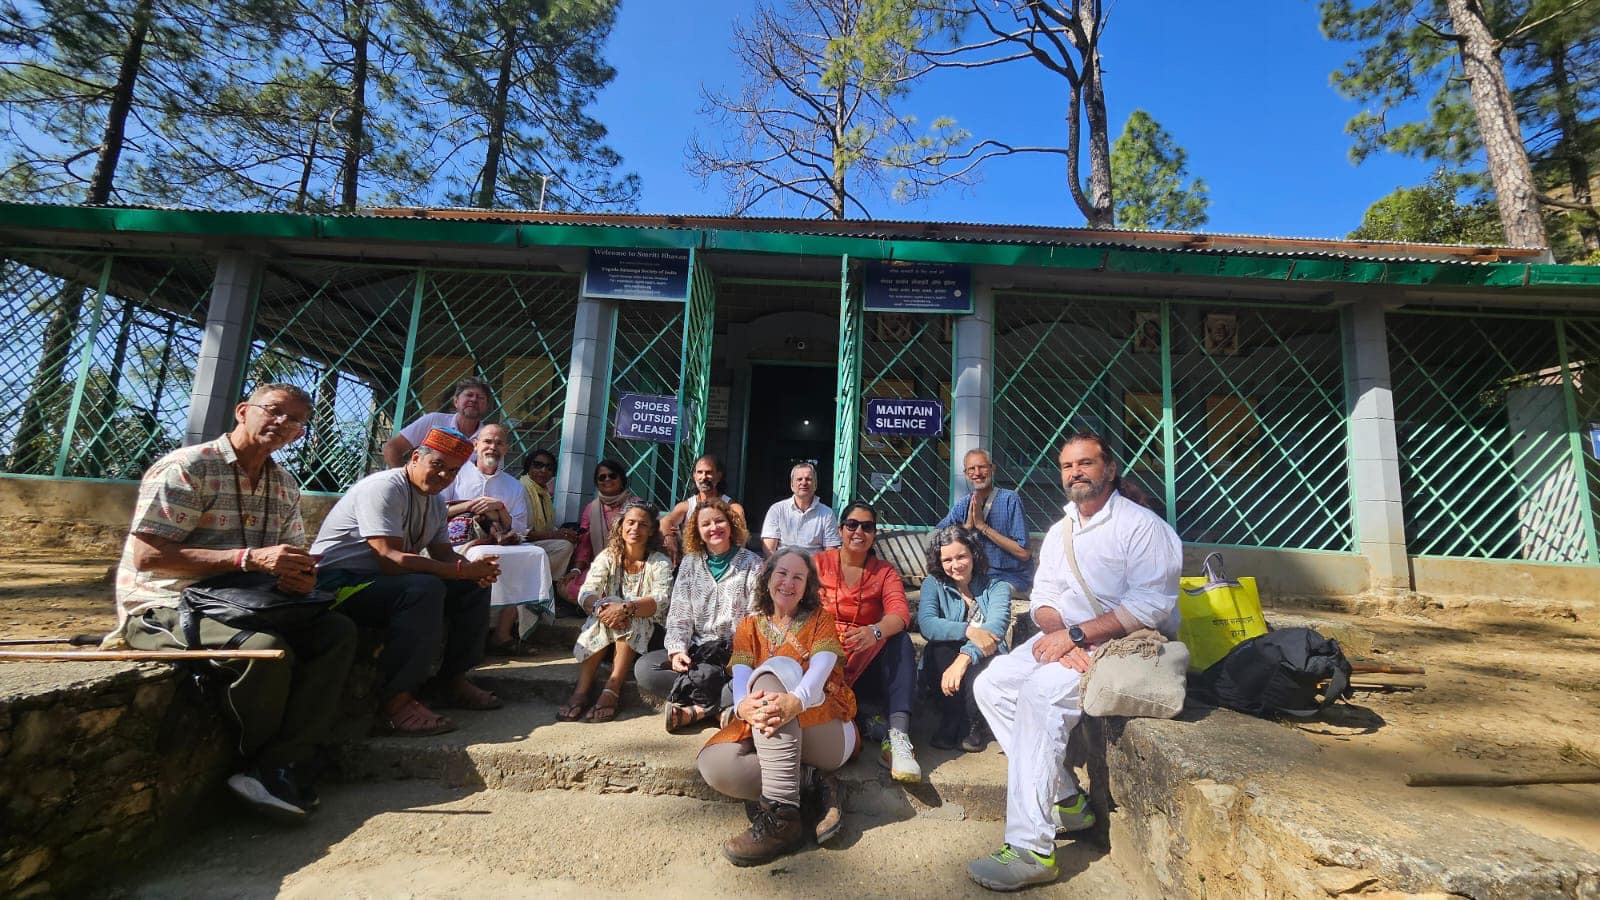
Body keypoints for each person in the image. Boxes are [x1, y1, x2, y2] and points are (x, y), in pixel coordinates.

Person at [114, 383, 357, 824]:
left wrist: (300, 578)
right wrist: (246, 559)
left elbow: (289, 556)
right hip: (169, 602)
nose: (282, 423)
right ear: (243, 410)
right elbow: (148, 555)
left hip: (245, 600)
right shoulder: (189, 467)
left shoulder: (283, 484)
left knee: (336, 631)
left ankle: (283, 763)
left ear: (301, 433)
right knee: (264, 649)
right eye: (274, 411)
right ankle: (260, 764)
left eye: (295, 420)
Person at [966, 432, 1181, 892]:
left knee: (1039, 696)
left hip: (1123, 646)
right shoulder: (1062, 529)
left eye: (1086, 463)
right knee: (992, 683)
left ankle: (1031, 850)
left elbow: (1151, 604)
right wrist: (1062, 636)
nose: (1075, 472)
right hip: (1066, 639)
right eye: (1067, 466)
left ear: (1110, 469)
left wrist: (1078, 636)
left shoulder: (1143, 527)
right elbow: (1043, 597)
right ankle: (1067, 799)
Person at [311, 427, 503, 738]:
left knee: (471, 586)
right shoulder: (384, 488)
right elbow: (389, 558)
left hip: (383, 582)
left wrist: (474, 570)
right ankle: (395, 700)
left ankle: (452, 680)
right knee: (424, 588)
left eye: (453, 471)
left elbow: (443, 554)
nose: (444, 475)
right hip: (339, 583)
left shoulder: (435, 502)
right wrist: (458, 571)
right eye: (437, 465)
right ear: (415, 458)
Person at [697, 548, 855, 866]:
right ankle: (813, 782)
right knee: (715, 764)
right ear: (768, 578)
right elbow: (741, 673)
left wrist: (796, 701)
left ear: (807, 587)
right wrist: (742, 706)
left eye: (798, 577)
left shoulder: (820, 620)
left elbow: (822, 666)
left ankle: (782, 820)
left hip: (826, 728)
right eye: (782, 573)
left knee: (775, 671)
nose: (788, 582)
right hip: (771, 723)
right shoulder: (749, 625)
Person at [814, 501, 921, 783]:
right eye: (852, 525)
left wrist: (874, 631)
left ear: (874, 534)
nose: (859, 532)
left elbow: (900, 613)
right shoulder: (819, 564)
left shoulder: (884, 571)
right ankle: (867, 722)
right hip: (823, 663)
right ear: (841, 530)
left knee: (900, 641)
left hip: (864, 660)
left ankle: (898, 737)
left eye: (867, 526)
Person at [635, 498, 763, 731]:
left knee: (754, 677)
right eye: (706, 524)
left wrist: (738, 656)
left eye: (719, 521)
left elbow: (757, 615)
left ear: (730, 524)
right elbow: (679, 613)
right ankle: (721, 710)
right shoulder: (690, 563)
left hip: (736, 654)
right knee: (646, 668)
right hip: (698, 651)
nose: (714, 528)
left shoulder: (753, 564)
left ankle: (696, 711)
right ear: (697, 531)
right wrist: (677, 651)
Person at [440, 425, 555, 653]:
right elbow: (436, 511)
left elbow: (520, 529)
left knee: (534, 554)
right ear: (476, 445)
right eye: (487, 442)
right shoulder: (456, 473)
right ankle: (470, 635)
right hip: (456, 541)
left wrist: (500, 508)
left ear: (506, 449)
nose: (492, 447)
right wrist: (470, 506)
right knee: (481, 555)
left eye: (499, 443)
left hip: (501, 541)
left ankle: (502, 634)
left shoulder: (513, 486)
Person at [560, 501, 673, 723]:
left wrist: (626, 608)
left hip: (648, 639)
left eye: (643, 524)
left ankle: (612, 689)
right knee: (606, 607)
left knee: (628, 612)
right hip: (606, 637)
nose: (635, 529)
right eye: (630, 522)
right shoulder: (608, 556)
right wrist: (602, 609)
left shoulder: (660, 562)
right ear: (621, 526)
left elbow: (661, 600)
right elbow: (587, 592)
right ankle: (581, 691)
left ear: (651, 530)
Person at [917, 526, 1012, 753]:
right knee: (941, 648)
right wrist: (968, 631)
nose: (956, 565)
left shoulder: (997, 588)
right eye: (947, 560)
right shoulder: (933, 584)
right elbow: (928, 624)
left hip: (983, 656)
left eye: (961, 556)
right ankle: (951, 717)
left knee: (983, 658)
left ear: (974, 554)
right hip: (945, 660)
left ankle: (973, 721)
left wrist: (965, 657)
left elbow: (995, 628)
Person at [936, 449, 1032, 593]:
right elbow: (933, 539)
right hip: (974, 576)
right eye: (971, 469)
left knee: (993, 593)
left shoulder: (1009, 499)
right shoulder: (963, 504)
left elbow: (1023, 553)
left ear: (992, 469)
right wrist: (967, 527)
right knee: (935, 586)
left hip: (1008, 577)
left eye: (982, 467)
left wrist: (983, 527)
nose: (977, 473)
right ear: (966, 474)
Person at [558, 458, 642, 607]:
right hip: (602, 564)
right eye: (602, 477)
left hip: (633, 564)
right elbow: (585, 544)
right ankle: (601, 607)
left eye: (612, 475)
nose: (607, 479)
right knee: (567, 587)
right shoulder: (592, 509)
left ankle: (596, 608)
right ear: (597, 483)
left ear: (622, 480)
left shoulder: (636, 505)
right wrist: (577, 569)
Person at [381, 376, 492, 467]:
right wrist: (407, 482)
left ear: (487, 406)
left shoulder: (489, 438)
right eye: (469, 395)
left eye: (480, 397)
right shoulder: (434, 421)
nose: (474, 399)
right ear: (456, 401)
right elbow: (391, 448)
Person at [663, 454, 747, 556]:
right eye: (700, 472)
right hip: (692, 560)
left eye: (708, 472)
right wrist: (669, 537)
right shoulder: (685, 507)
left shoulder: (733, 508)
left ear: (719, 476)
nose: (703, 477)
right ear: (694, 476)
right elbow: (665, 521)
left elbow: (740, 540)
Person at [760, 462, 841, 553]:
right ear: (792, 485)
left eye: (808, 479)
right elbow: (769, 549)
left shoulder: (827, 514)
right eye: (799, 479)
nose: (804, 482)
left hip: (814, 562)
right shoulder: (777, 510)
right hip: (784, 561)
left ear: (815, 485)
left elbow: (830, 552)